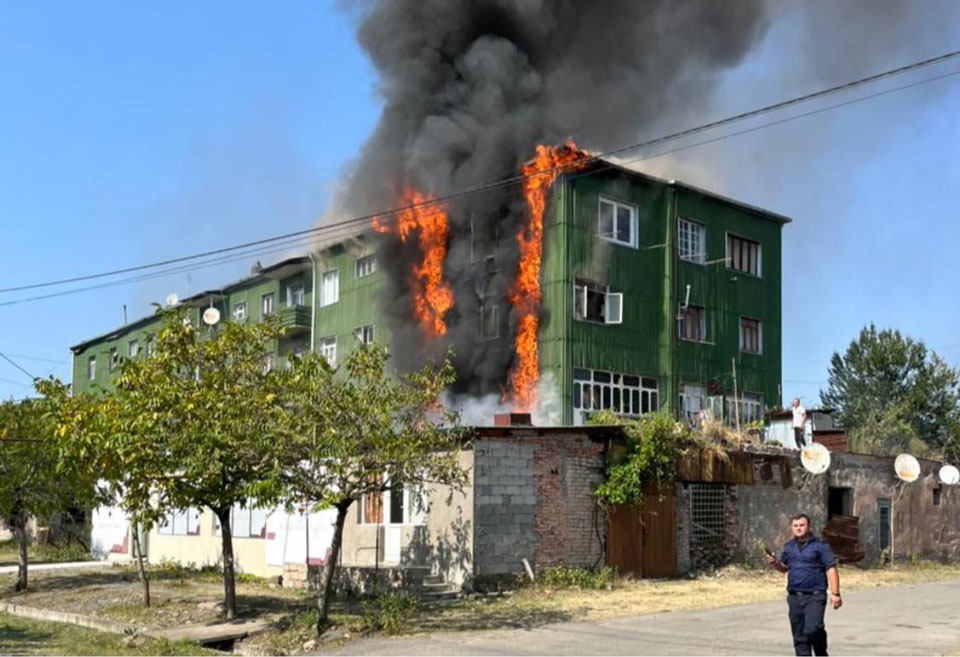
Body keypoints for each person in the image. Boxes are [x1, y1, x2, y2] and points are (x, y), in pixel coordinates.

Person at [767, 513, 842, 656]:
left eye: (802, 525)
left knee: (813, 628)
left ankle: (821, 652)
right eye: (795, 526)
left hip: (815, 595)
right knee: (799, 635)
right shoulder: (789, 547)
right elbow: (784, 568)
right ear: (792, 528)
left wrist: (835, 593)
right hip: (795, 596)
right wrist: (775, 563)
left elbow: (831, 568)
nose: (799, 528)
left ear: (808, 526)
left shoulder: (820, 545)